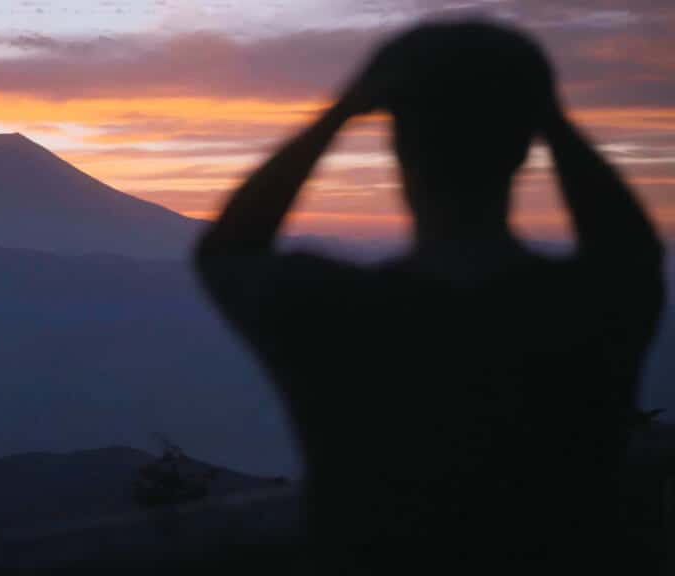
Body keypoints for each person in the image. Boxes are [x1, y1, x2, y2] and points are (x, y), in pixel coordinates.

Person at [194, 20, 665, 573]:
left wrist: (343, 108)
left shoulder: (344, 321)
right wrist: (548, 115)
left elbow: (228, 252)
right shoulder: (584, 314)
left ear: (399, 150)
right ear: (520, 148)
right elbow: (630, 253)